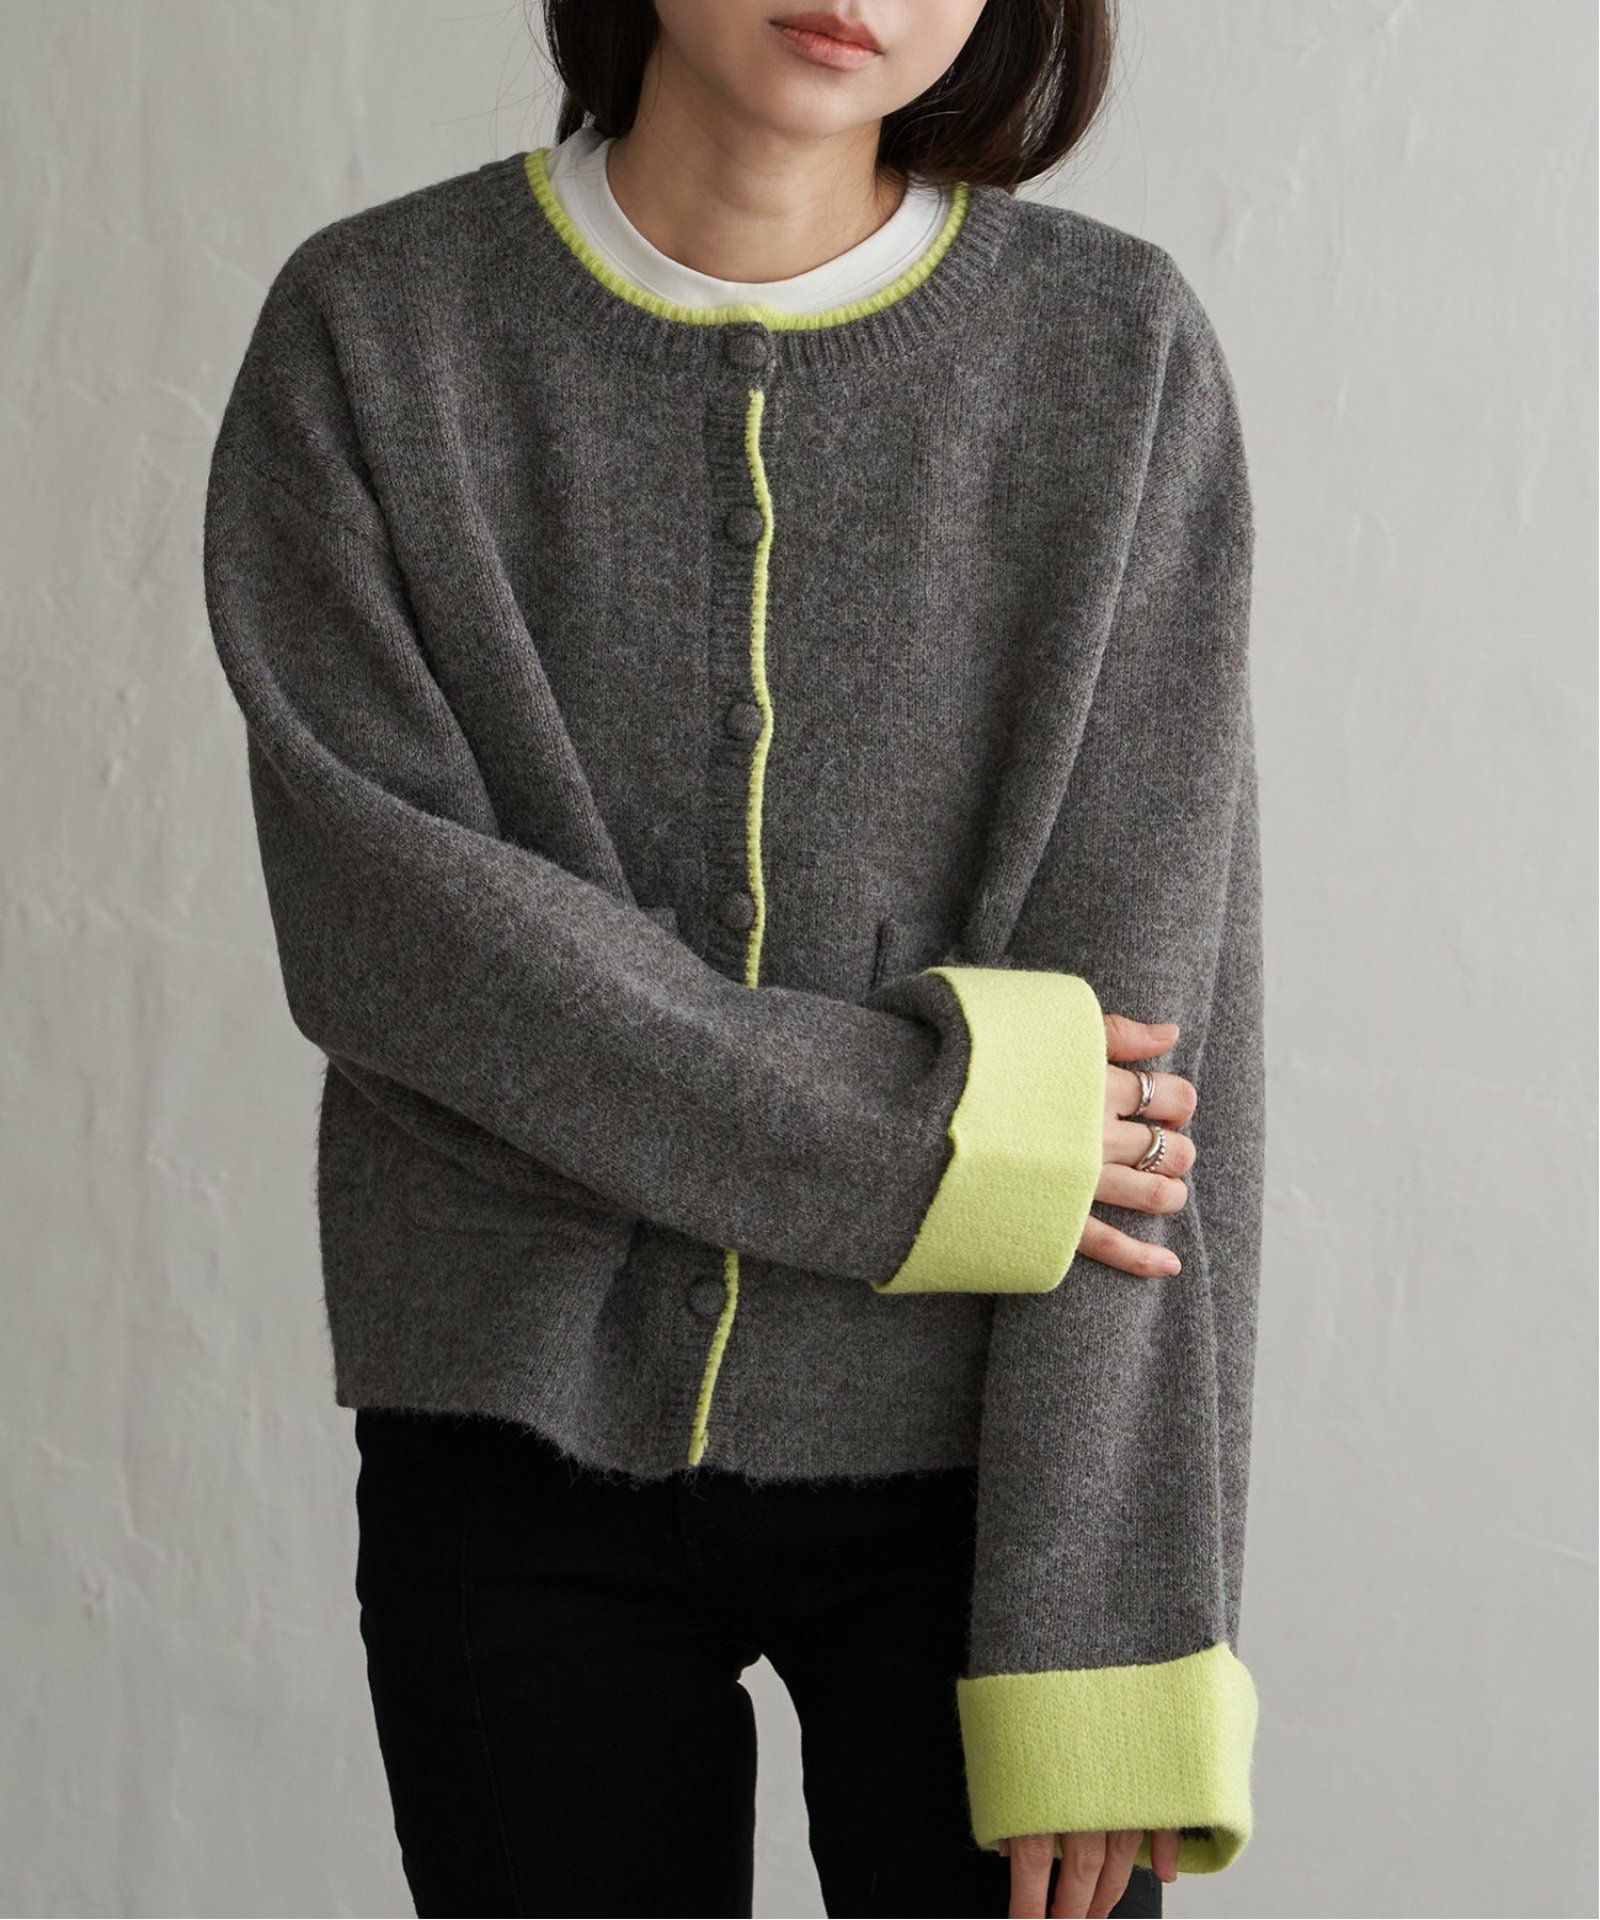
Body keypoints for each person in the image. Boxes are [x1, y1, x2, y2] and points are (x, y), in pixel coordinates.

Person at [200, 2, 1266, 1915]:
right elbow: (396, 938)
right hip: (510, 1446)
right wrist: (955, 1143)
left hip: (990, 1485)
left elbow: (1151, 1081)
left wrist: (1110, 1630)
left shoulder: (1116, 356)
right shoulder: (375, 334)